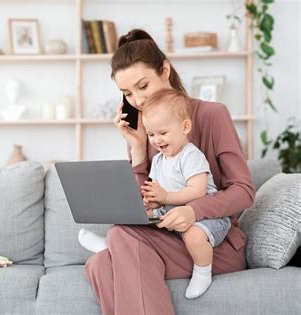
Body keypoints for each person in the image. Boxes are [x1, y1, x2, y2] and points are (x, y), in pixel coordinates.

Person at [80, 29, 255, 315]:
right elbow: (142, 205)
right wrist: (137, 148)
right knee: (99, 264)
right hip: (164, 239)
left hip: (210, 245)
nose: (136, 99)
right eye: (127, 93)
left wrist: (194, 211)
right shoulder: (146, 132)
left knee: (121, 239)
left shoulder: (212, 115)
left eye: (143, 86)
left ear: (164, 69)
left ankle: (118, 245)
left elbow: (244, 191)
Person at [79, 88, 232, 299]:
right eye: (151, 134)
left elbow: (197, 191)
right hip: (171, 215)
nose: (157, 140)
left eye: (163, 133)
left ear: (185, 127)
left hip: (205, 218)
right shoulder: (159, 159)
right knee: (129, 223)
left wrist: (165, 197)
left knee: (194, 235)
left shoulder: (191, 156)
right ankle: (112, 245)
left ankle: (203, 271)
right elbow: (156, 192)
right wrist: (151, 203)